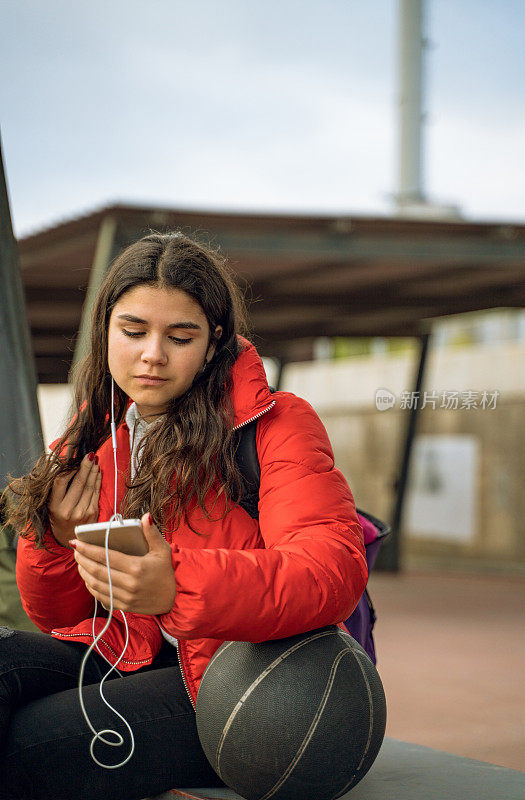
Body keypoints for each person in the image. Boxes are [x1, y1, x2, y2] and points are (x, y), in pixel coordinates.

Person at [1, 231, 367, 800]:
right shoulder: (95, 434)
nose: (153, 354)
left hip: (229, 681)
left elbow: (330, 572)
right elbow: (55, 616)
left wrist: (178, 587)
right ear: (105, 332)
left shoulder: (276, 424)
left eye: (180, 336)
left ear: (213, 341)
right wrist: (58, 542)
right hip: (125, 653)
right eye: (133, 331)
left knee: (30, 746)